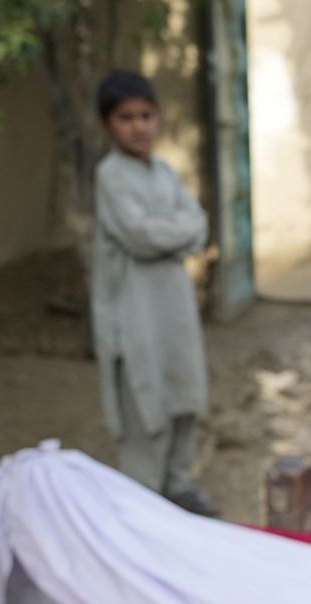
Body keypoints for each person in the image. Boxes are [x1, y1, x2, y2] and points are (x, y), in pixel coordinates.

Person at [89, 69, 217, 516]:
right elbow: (139, 236)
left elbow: (198, 225)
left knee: (183, 396)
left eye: (146, 115)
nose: (139, 126)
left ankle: (179, 486)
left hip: (175, 311)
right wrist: (179, 234)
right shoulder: (111, 176)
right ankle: (143, 505)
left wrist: (177, 233)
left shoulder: (164, 172)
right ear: (108, 125)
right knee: (146, 404)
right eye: (126, 117)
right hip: (134, 313)